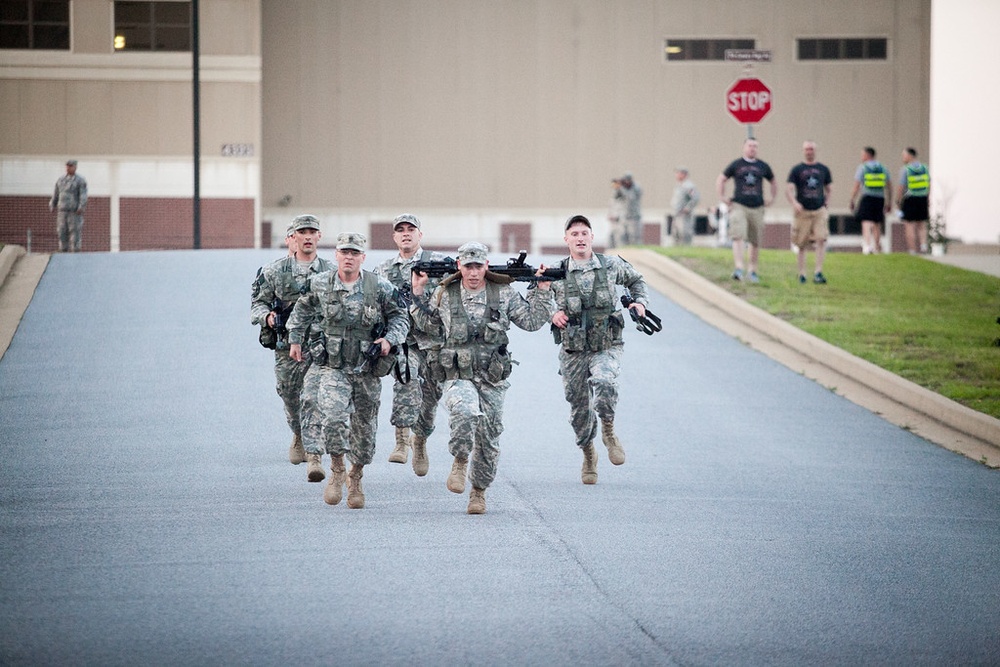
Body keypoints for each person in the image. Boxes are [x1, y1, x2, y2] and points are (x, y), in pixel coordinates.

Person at [409, 242, 554, 514]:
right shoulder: (444, 293)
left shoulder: (503, 292)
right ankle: (461, 460)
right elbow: (427, 325)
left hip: (492, 377)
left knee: (489, 436)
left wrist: (542, 291)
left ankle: (478, 491)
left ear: (486, 266)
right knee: (464, 411)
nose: (473, 272)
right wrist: (418, 291)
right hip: (457, 374)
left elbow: (532, 322)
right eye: (468, 266)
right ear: (459, 267)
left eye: (478, 266)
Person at [286, 232, 409, 509]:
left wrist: (389, 339)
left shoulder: (379, 286)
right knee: (333, 417)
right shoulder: (320, 283)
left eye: (355, 253)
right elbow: (302, 309)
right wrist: (295, 338)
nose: (349, 257)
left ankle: (356, 476)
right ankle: (338, 468)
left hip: (366, 368)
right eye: (345, 252)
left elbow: (401, 316)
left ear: (362, 258)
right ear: (337, 256)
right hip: (333, 367)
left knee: (364, 431)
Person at [550, 215, 650, 485]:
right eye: (574, 234)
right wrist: (553, 312)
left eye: (584, 233)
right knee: (579, 410)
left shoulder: (611, 265)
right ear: (566, 239)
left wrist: (639, 303)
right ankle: (588, 454)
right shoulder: (555, 271)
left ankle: (608, 430)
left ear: (592, 237)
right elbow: (539, 297)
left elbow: (637, 281)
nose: (580, 238)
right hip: (573, 350)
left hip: (606, 344)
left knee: (605, 381)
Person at [250, 215, 334, 471]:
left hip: (319, 347)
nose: (307, 236)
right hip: (286, 347)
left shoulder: (331, 271)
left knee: (314, 397)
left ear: (319, 236)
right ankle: (298, 432)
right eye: (302, 232)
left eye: (312, 232)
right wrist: (267, 316)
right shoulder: (274, 271)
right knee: (289, 395)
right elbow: (257, 303)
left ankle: (312, 446)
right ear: (293, 237)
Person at [373, 213, 450, 475]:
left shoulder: (438, 263)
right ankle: (401, 441)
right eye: (400, 230)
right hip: (404, 341)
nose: (406, 233)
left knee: (430, 399)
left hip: (434, 341)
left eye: (411, 229)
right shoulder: (383, 270)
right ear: (394, 237)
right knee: (406, 380)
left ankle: (420, 441)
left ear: (420, 235)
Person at [715, 138, 776, 283]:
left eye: (755, 146)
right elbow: (721, 179)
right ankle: (738, 268)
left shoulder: (763, 166)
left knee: (755, 239)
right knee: (738, 235)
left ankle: (752, 271)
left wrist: (772, 198)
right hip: (739, 205)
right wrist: (722, 197)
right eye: (750, 145)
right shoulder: (737, 165)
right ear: (744, 147)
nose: (752, 148)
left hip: (757, 206)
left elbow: (773, 181)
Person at [786, 141, 833, 284]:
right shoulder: (797, 170)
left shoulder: (823, 169)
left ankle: (818, 272)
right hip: (803, 212)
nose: (809, 151)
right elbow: (788, 189)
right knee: (801, 243)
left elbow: (829, 188)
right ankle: (802, 274)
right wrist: (795, 203)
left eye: (811, 149)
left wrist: (826, 203)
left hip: (819, 210)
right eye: (807, 149)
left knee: (821, 239)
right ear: (803, 151)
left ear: (815, 151)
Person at [849, 146, 891, 255]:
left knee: (866, 221)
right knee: (877, 222)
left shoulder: (863, 167)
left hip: (867, 196)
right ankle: (877, 247)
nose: (861, 157)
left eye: (862, 154)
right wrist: (889, 201)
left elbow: (857, 185)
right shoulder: (883, 168)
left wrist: (852, 199)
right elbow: (889, 186)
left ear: (868, 155)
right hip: (880, 198)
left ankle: (867, 246)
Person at [896, 147, 931, 254]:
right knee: (922, 225)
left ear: (910, 155)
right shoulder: (925, 168)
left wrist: (898, 200)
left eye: (904, 155)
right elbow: (929, 184)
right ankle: (924, 246)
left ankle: (912, 250)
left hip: (910, 198)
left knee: (909, 225)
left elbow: (901, 186)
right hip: (922, 198)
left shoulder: (905, 169)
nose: (903, 158)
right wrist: (928, 197)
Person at [49, 159, 88, 253]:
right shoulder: (61, 180)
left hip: (73, 211)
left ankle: (75, 250)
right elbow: (56, 193)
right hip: (62, 211)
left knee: (74, 231)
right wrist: (52, 204)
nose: (68, 168)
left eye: (70, 166)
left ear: (75, 167)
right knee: (62, 231)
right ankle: (63, 250)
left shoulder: (80, 180)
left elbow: (83, 195)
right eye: (67, 166)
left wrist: (81, 206)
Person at [669, 167, 700, 246]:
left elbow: (695, 198)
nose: (676, 175)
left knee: (684, 234)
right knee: (676, 234)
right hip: (677, 213)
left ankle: (685, 249)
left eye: (678, 173)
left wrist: (688, 208)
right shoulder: (679, 185)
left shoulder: (688, 186)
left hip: (684, 215)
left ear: (684, 174)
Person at [619, 172, 643, 245]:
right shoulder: (623, 188)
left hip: (634, 217)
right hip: (625, 216)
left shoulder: (636, 188)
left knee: (634, 237)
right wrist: (619, 187)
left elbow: (630, 198)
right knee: (623, 236)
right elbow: (616, 196)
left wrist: (623, 188)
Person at [607, 178, 627, 249]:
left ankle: (620, 251)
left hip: (620, 222)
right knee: (611, 236)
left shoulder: (623, 195)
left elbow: (623, 210)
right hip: (613, 222)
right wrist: (609, 216)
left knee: (620, 237)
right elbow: (610, 209)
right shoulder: (613, 198)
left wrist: (617, 217)